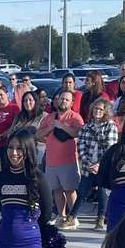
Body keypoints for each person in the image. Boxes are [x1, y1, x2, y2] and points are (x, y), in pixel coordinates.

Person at [36, 90, 84, 229]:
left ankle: (73, 216)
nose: (63, 101)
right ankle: (61, 216)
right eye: (61, 98)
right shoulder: (49, 117)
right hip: (51, 160)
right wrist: (51, 127)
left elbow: (79, 133)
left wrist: (62, 126)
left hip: (68, 160)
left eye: (66, 99)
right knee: (57, 190)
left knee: (69, 189)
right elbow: (38, 134)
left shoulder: (75, 117)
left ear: (72, 102)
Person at [74, 98, 118, 232]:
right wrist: (89, 163)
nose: (97, 111)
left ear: (105, 112)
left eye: (100, 109)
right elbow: (80, 146)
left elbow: (110, 148)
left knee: (102, 192)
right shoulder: (86, 127)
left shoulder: (110, 126)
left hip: (103, 166)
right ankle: (72, 216)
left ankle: (100, 218)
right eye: (95, 109)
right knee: (81, 191)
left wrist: (99, 165)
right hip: (88, 166)